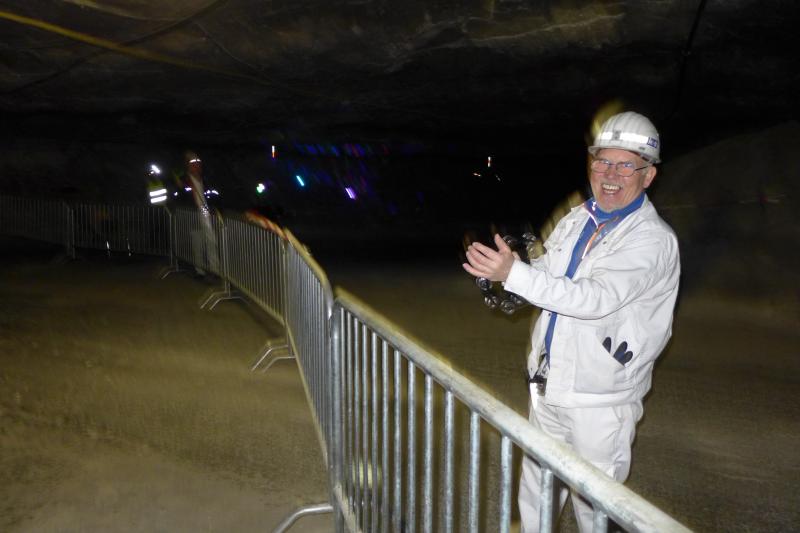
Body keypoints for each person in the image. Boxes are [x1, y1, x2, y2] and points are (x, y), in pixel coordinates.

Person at [462, 111, 680, 532]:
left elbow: (595, 299)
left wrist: (516, 275)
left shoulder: (652, 240)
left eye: (625, 165)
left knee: (595, 509)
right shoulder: (578, 217)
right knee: (536, 495)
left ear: (648, 175)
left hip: (600, 400)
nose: (610, 174)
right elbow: (550, 273)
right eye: (602, 161)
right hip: (548, 385)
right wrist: (512, 272)